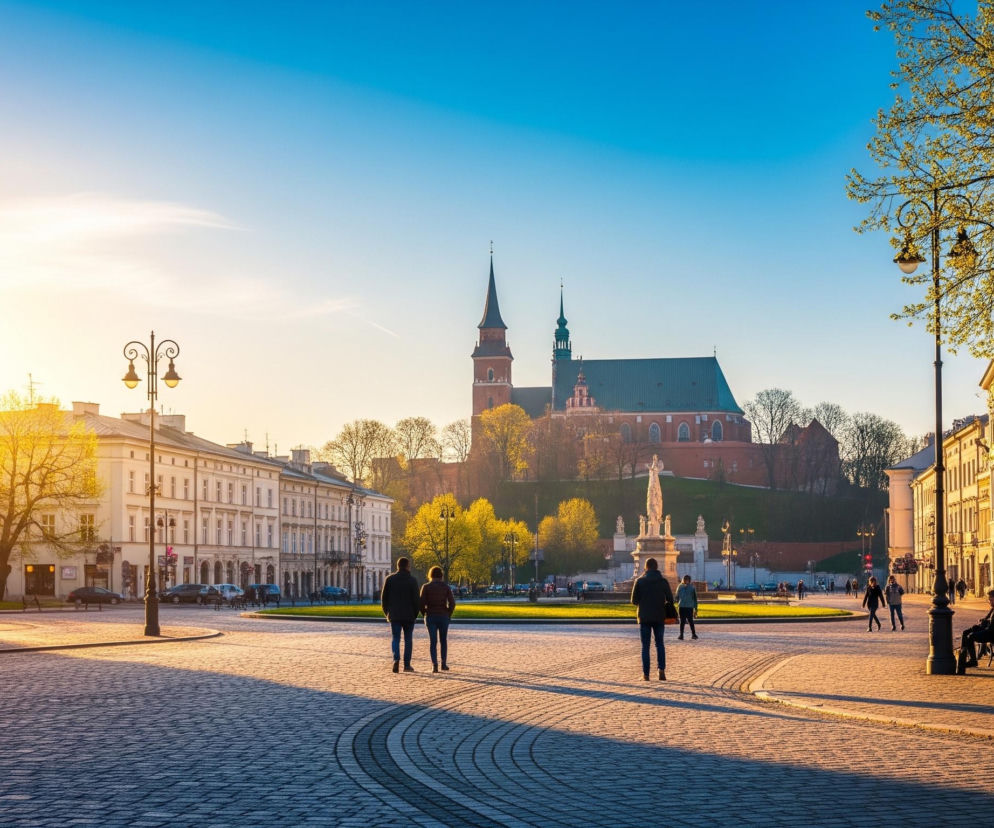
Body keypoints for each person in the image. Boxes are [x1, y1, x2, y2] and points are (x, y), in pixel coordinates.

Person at [630, 557, 675, 681]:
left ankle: (646, 674)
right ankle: (661, 670)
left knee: (645, 646)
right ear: (656, 567)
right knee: (659, 643)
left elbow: (633, 600)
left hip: (644, 616)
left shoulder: (639, 581)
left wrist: (643, 602)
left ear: (646, 567)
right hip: (659, 616)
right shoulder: (663, 581)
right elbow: (671, 599)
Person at [381, 557, 420, 673]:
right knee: (408, 640)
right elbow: (416, 600)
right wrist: (415, 614)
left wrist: (387, 613)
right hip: (409, 615)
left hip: (395, 615)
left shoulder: (390, 579)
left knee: (395, 639)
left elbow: (384, 599)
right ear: (408, 566)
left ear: (398, 566)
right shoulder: (412, 580)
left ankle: (396, 659)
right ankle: (407, 665)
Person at [420, 566, 456, 673]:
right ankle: (443, 663)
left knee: (433, 641)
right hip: (443, 616)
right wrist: (448, 613)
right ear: (441, 575)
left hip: (431, 615)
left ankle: (434, 664)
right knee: (443, 640)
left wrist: (425, 613)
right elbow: (452, 603)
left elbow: (421, 603)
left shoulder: (426, 587)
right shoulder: (446, 587)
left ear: (430, 575)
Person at [957, 588, 994, 671]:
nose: (989, 602)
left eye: (991, 600)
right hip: (989, 631)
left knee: (971, 636)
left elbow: (991, 628)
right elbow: (988, 619)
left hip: (991, 634)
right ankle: (964, 653)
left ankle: (973, 661)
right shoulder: (993, 608)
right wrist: (982, 623)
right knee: (966, 632)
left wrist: (983, 627)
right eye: (989, 600)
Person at [674, 574, 698, 640]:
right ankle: (681, 635)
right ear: (683, 580)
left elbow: (695, 599)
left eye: (688, 580)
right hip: (682, 607)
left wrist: (696, 609)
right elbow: (676, 597)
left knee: (690, 621)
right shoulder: (680, 587)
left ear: (689, 580)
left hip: (689, 607)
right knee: (682, 621)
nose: (686, 581)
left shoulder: (692, 588)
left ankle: (693, 634)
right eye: (685, 579)